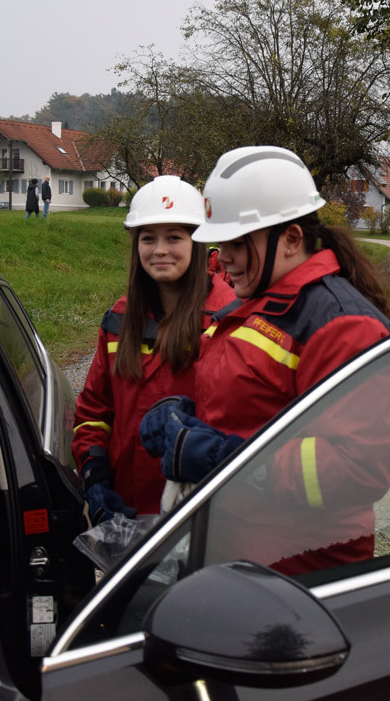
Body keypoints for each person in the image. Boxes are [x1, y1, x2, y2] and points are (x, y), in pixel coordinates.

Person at [140, 145, 390, 574]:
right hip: (239, 556)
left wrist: (227, 460)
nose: (223, 257)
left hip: (297, 572)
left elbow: (360, 469)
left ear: (292, 239)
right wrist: (186, 418)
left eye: (237, 243)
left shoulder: (342, 325)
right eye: (221, 242)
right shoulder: (262, 301)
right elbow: (253, 402)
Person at [72, 175, 236, 522]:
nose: (160, 250)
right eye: (148, 238)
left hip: (202, 516)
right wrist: (95, 477)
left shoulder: (229, 320)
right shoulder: (119, 318)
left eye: (174, 237)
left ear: (198, 242)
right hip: (125, 511)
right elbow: (93, 413)